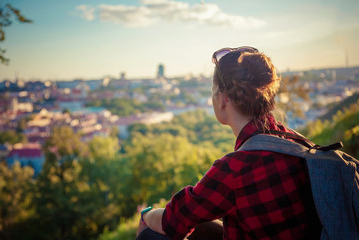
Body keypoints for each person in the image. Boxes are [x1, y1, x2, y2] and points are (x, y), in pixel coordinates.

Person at [136, 47, 321, 240]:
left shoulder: (234, 169)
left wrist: (145, 215)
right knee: (202, 224)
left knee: (149, 235)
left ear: (224, 98)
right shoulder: (293, 140)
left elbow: (170, 222)